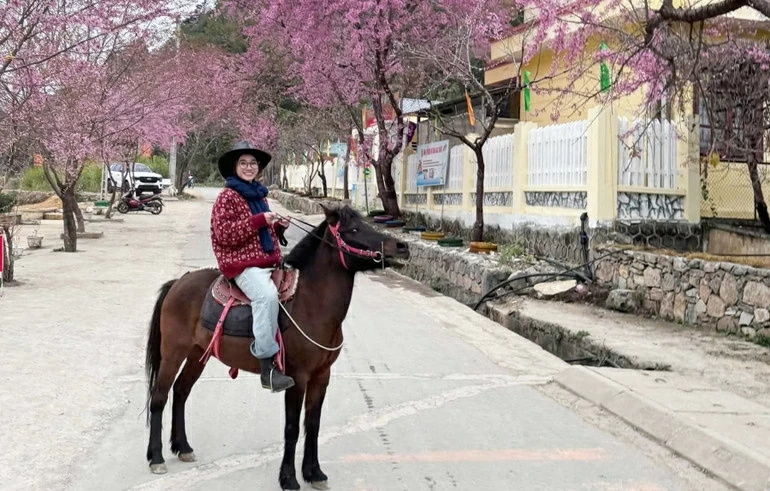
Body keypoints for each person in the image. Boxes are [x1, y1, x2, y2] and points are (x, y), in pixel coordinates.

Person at [210, 141, 294, 392]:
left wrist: (277, 227)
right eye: (243, 163)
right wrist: (259, 220)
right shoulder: (227, 197)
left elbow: (262, 233)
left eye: (253, 163)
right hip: (242, 265)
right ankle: (267, 366)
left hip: (267, 260)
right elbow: (225, 234)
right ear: (235, 167)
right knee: (266, 296)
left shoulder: (259, 194)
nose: (249, 167)